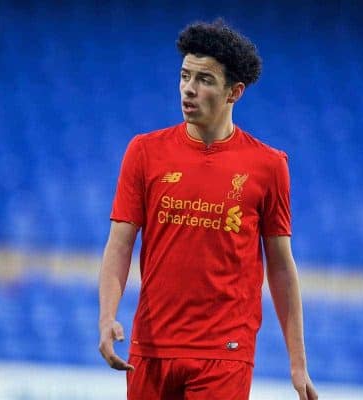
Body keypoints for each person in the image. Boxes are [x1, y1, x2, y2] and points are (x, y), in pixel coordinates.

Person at [98, 19, 318, 400]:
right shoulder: (144, 153)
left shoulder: (268, 166)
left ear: (235, 92)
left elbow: (281, 265)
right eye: (185, 76)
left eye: (204, 80)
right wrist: (106, 318)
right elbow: (119, 245)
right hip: (151, 348)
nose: (188, 89)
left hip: (224, 354)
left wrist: (297, 363)